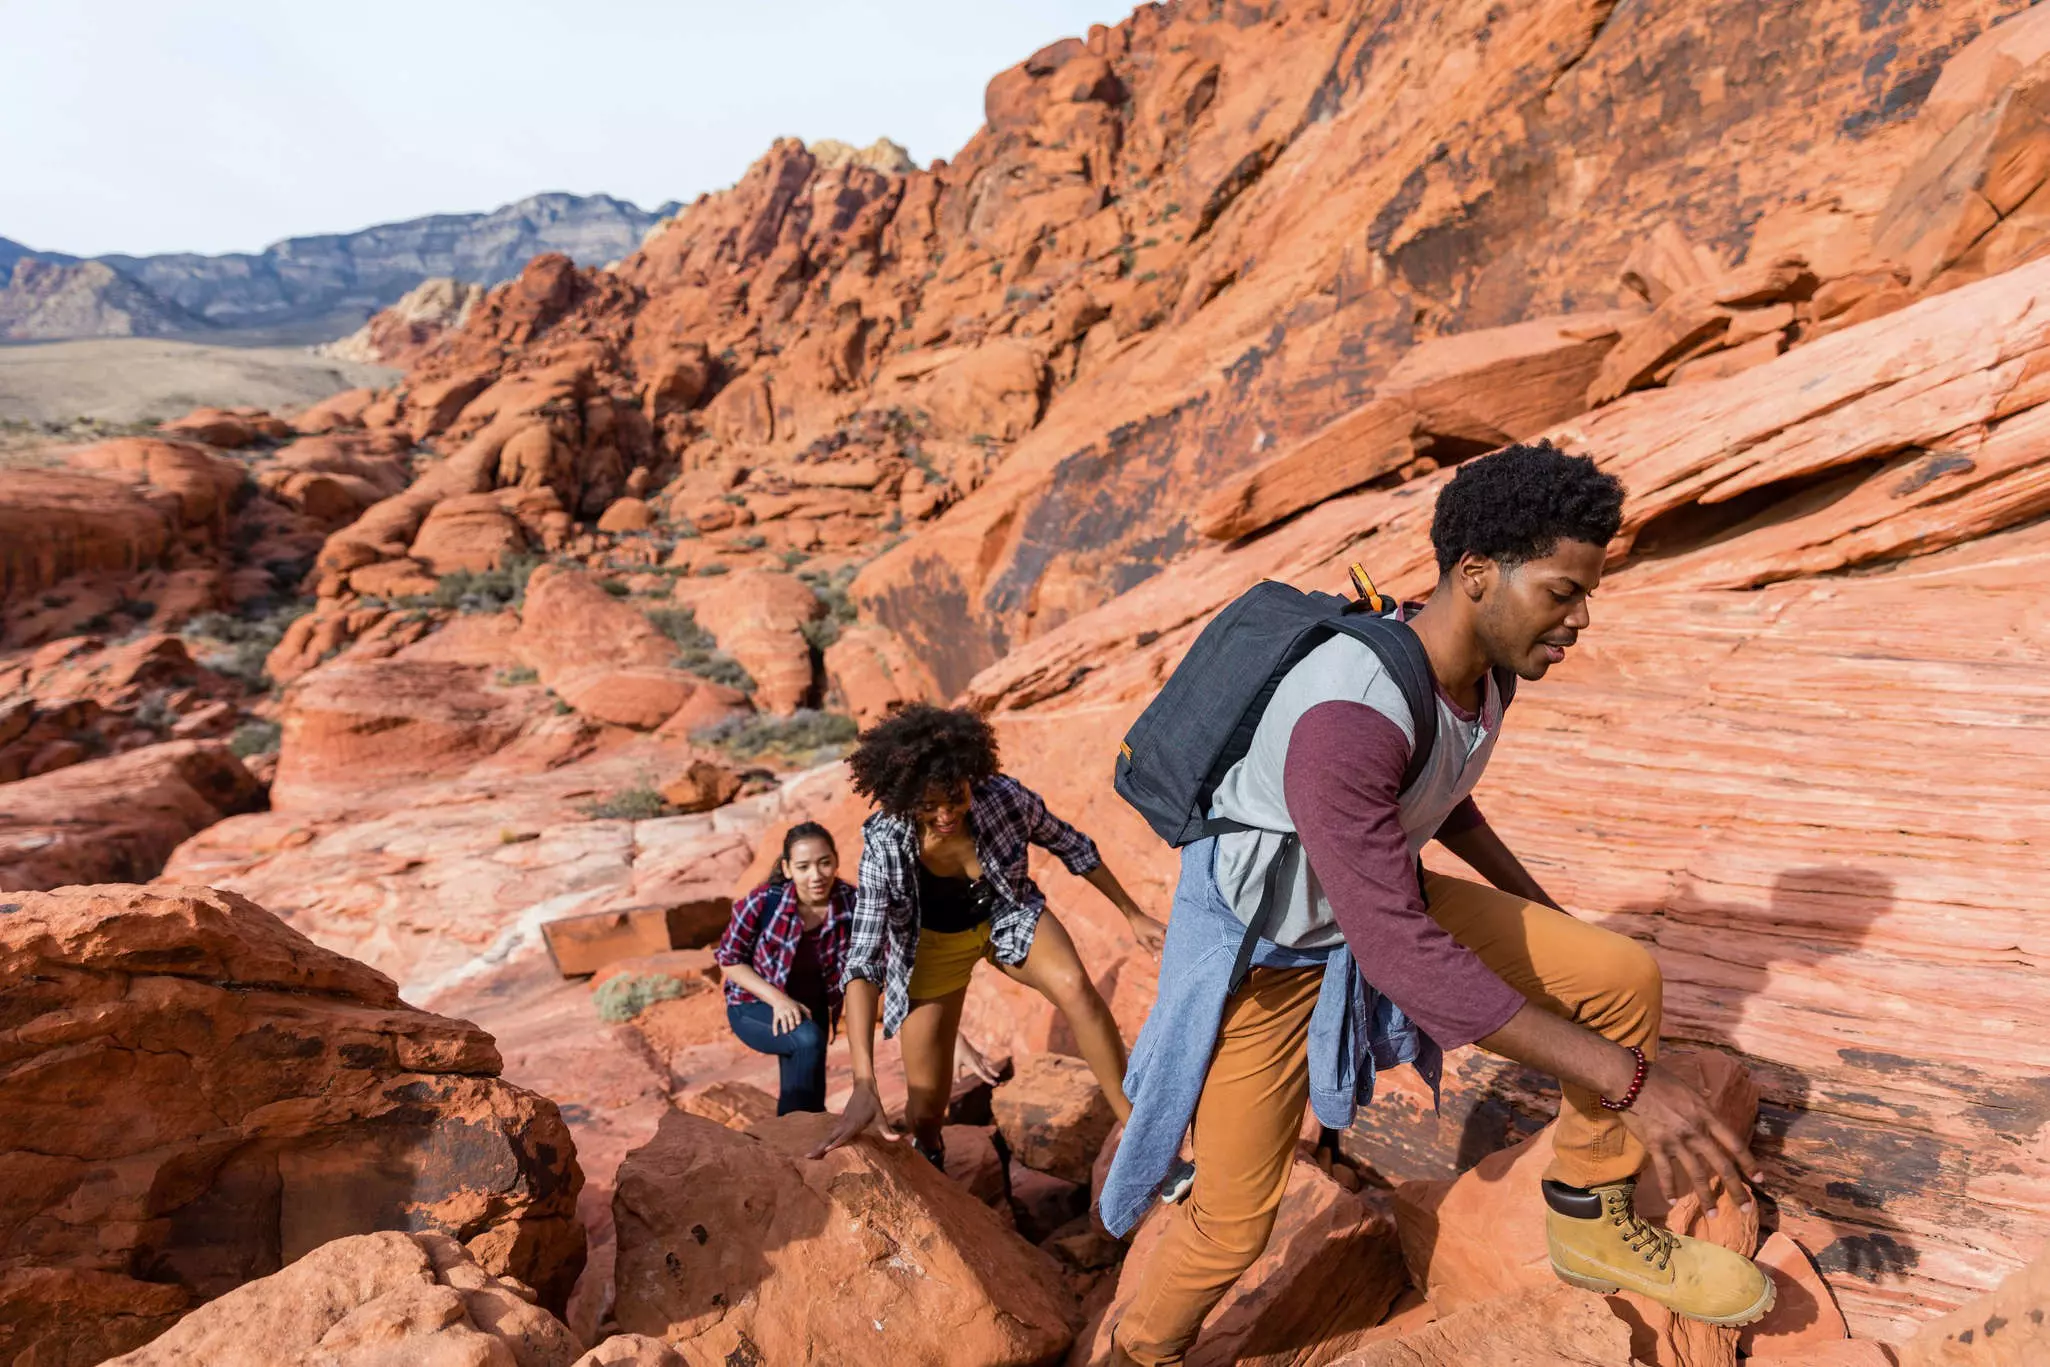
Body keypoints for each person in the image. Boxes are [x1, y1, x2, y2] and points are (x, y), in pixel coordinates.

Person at [1101, 442, 1774, 1365]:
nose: (1579, 621)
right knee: (1232, 1220)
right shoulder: (1347, 717)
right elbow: (1403, 956)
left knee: (1615, 974)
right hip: (1268, 955)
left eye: (1587, 594)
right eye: (1562, 592)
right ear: (1476, 574)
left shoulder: (1487, 665)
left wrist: (1545, 914)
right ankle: (1141, 1348)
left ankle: (1590, 1218)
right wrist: (1631, 1082)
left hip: (1366, 908)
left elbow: (1445, 793)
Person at [811, 703, 1168, 1169]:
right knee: (924, 1109)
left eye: (954, 798)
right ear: (905, 797)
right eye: (928, 805)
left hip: (1008, 916)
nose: (945, 815)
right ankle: (931, 1146)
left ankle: (1136, 1132)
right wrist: (864, 1081)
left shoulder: (1001, 797)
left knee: (1077, 989)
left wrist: (1132, 913)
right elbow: (863, 957)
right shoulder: (885, 840)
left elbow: (1071, 845)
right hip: (930, 949)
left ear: (970, 778)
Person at [715, 822, 854, 1116]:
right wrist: (779, 1000)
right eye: (803, 867)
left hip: (812, 1007)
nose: (816, 875)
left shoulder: (852, 903)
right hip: (755, 1004)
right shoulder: (764, 902)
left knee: (810, 1088)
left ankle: (800, 1139)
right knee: (807, 1041)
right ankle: (797, 1139)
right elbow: (729, 959)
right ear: (788, 869)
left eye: (824, 863)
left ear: (836, 861)